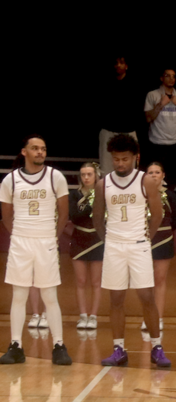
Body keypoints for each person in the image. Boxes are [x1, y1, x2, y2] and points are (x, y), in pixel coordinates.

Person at [91, 133, 170, 367]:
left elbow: (157, 215)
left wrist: (147, 238)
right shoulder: (102, 183)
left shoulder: (145, 181)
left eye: (125, 159)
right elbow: (97, 216)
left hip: (139, 245)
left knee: (147, 296)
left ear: (136, 158)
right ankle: (118, 348)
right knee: (115, 298)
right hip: (114, 245)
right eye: (116, 159)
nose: (120, 163)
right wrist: (108, 240)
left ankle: (157, 346)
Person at [0, 135, 71, 366]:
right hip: (21, 241)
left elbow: (64, 213)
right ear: (24, 152)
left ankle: (59, 345)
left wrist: (52, 237)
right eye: (35, 148)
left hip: (46, 240)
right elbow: (6, 216)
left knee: (49, 295)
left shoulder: (55, 177)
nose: (40, 152)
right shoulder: (10, 180)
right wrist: (19, 235)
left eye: (43, 149)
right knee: (19, 295)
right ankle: (16, 345)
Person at [143, 161, 176, 334]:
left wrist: (164, 231)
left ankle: (157, 317)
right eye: (150, 172)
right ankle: (147, 318)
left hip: (164, 240)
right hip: (143, 241)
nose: (153, 175)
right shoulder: (140, 194)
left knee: (159, 280)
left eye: (157, 172)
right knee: (145, 283)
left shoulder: (170, 196)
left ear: (163, 175)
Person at [69, 162, 104, 330]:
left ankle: (94, 316)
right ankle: (83, 315)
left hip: (97, 239)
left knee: (96, 281)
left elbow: (105, 217)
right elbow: (74, 217)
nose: (86, 177)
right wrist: (91, 204)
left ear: (96, 175)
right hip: (79, 239)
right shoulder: (74, 195)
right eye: (83, 174)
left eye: (90, 174)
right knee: (81, 280)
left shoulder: (103, 193)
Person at [143, 69, 176, 189]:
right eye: (167, 76)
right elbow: (148, 118)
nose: (171, 79)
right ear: (161, 78)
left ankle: (170, 205)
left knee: (173, 181)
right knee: (155, 180)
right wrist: (161, 104)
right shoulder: (152, 95)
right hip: (157, 143)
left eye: (173, 76)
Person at [98, 56, 137, 176]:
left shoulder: (134, 84)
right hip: (109, 130)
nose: (118, 65)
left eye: (121, 63)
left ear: (126, 66)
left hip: (128, 131)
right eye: (116, 63)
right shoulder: (105, 83)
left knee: (129, 170)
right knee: (107, 169)